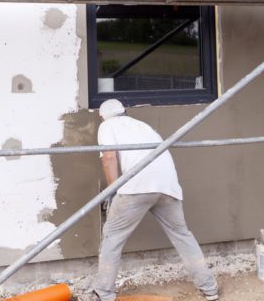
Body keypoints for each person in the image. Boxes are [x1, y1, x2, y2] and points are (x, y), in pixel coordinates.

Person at [89, 99, 219, 301]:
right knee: (182, 235)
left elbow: (109, 158)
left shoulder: (107, 125)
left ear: (102, 116)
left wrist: (113, 190)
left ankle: (103, 293)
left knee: (112, 237)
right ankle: (210, 288)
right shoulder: (142, 126)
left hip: (137, 186)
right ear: (124, 111)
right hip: (168, 186)